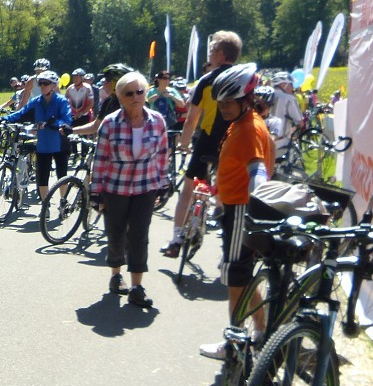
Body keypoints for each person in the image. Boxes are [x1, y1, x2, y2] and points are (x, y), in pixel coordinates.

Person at [197, 63, 274, 360]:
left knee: (235, 277)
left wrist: (255, 201)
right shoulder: (245, 121)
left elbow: (258, 171)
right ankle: (261, 328)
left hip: (242, 208)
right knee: (239, 273)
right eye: (220, 102)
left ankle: (233, 342)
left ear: (246, 99)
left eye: (229, 101)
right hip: (235, 207)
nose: (223, 107)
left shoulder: (249, 130)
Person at [90, 72, 169, 309]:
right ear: (120, 97)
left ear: (146, 93)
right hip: (116, 186)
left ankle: (137, 287)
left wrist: (164, 184)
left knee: (139, 236)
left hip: (145, 186)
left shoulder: (157, 121)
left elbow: (164, 155)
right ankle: (116, 274)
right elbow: (100, 158)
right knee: (116, 234)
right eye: (129, 93)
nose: (135, 97)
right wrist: (96, 191)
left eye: (140, 91)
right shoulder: (110, 123)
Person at [162, 30, 242, 258]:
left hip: (206, 142)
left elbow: (191, 119)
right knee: (230, 192)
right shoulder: (242, 79)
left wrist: (184, 144)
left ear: (219, 53)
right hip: (233, 142)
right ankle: (229, 236)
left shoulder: (207, 81)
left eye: (211, 49)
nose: (209, 54)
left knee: (188, 188)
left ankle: (176, 238)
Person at [2, 70, 72, 202]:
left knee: (61, 175)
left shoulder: (61, 101)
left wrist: (54, 123)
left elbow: (67, 120)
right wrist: (4, 119)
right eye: (40, 83)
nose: (43, 86)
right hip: (44, 143)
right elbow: (21, 113)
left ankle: (63, 201)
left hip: (59, 142)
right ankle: (45, 206)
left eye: (46, 83)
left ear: (53, 85)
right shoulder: (36, 101)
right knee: (42, 177)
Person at [72, 63, 132, 136]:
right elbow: (96, 125)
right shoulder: (108, 102)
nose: (104, 83)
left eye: (107, 80)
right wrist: (72, 130)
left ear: (116, 82)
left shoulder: (135, 103)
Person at [268, 71, 304, 156]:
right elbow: (300, 122)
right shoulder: (289, 99)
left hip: (262, 141)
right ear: (283, 84)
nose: (292, 88)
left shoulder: (263, 95)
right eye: (291, 84)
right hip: (280, 142)